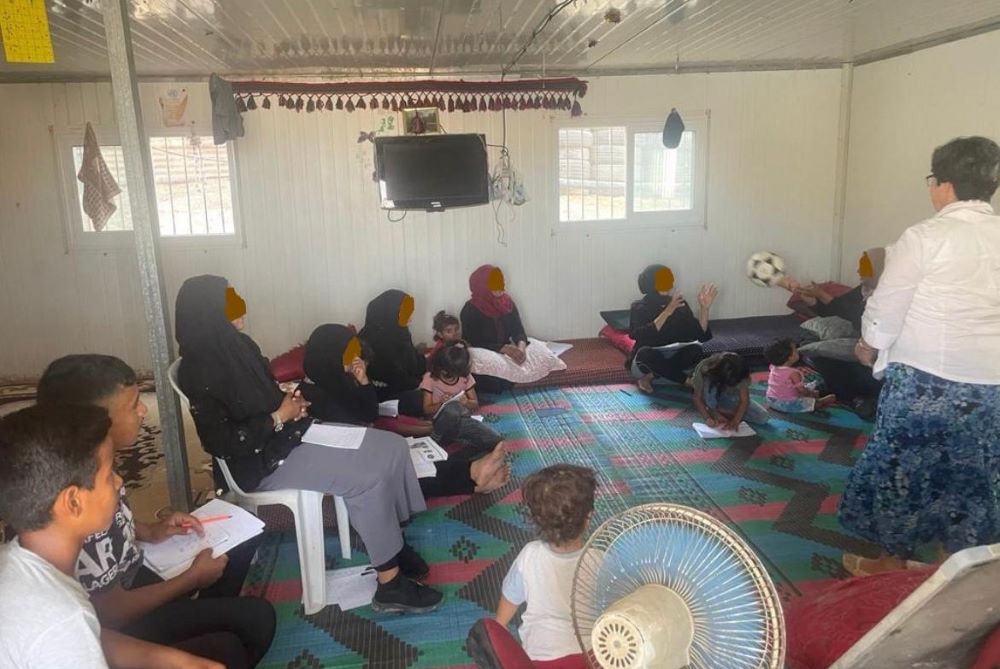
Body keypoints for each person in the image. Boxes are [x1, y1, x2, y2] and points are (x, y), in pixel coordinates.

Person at [175, 275, 442, 613]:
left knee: (392, 448)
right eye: (229, 299)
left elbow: (264, 395)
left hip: (290, 435)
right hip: (263, 462)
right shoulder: (199, 370)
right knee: (368, 476)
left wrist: (289, 401)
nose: (239, 302)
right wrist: (278, 416)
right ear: (209, 311)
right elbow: (222, 441)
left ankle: (392, 541)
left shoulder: (240, 347)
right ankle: (390, 584)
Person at [36, 354, 275, 667]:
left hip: (139, 568)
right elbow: (112, 612)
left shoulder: (98, 462)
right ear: (96, 420)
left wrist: (151, 530)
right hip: (121, 617)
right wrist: (191, 579)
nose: (143, 410)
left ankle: (202, 614)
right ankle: (200, 615)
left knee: (244, 534)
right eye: (133, 404)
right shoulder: (76, 500)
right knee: (250, 627)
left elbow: (117, 522)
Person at [839, 136, 1000, 576]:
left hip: (924, 381)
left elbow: (887, 307)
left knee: (903, 472)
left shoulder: (925, 237)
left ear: (943, 184)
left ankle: (891, 566)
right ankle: (954, 573)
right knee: (970, 479)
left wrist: (867, 344)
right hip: (990, 388)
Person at [0, 404, 224, 669]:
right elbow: (69, 631)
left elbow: (89, 635)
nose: (119, 483)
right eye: (109, 475)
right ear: (73, 502)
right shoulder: (61, 616)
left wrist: (174, 660)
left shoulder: (17, 560)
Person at [299, 324, 509, 495]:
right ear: (329, 356)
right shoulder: (311, 395)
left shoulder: (337, 380)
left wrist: (363, 382)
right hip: (348, 464)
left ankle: (472, 473)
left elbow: (369, 414)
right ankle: (472, 475)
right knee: (401, 472)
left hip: (365, 447)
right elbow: (359, 425)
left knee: (409, 459)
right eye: (348, 353)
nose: (354, 359)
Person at [496, 464, 595, 667]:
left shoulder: (529, 556)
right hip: (592, 654)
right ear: (588, 518)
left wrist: (500, 626)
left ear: (536, 520)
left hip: (540, 658)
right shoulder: (599, 559)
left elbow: (510, 596)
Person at [627, 264, 718, 394]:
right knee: (645, 353)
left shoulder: (680, 303)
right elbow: (640, 335)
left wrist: (704, 308)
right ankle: (689, 382)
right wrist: (668, 310)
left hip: (673, 362)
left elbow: (700, 335)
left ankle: (651, 378)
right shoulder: (639, 307)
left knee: (696, 350)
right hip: (647, 363)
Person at [421, 341, 504, 456]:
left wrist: (466, 402)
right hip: (437, 424)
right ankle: (435, 439)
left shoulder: (465, 377)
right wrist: (441, 402)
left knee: (496, 440)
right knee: (452, 409)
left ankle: (456, 444)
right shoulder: (430, 378)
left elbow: (475, 405)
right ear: (444, 370)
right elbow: (427, 410)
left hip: (460, 422)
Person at [358, 289, 428, 417]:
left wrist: (430, 368)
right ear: (391, 312)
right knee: (426, 398)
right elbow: (394, 378)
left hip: (405, 385)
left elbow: (412, 360)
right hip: (384, 395)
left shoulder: (400, 332)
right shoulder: (374, 340)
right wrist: (421, 384)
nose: (411, 318)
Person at [691, 352, 769, 429]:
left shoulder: (739, 371)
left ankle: (720, 410)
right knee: (709, 384)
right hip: (710, 394)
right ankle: (713, 410)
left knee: (762, 417)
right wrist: (707, 418)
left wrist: (736, 420)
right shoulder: (704, 368)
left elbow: (744, 400)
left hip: (729, 395)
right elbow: (697, 397)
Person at [764, 339, 836, 413]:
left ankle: (814, 394)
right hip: (786, 404)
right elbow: (802, 391)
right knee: (810, 401)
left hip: (771, 400)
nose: (798, 350)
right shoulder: (793, 373)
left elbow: (783, 379)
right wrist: (811, 394)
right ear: (790, 357)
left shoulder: (772, 366)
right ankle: (823, 401)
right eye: (795, 350)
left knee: (806, 388)